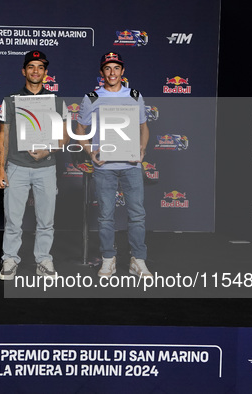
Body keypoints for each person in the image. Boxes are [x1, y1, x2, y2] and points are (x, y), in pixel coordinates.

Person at [75, 52, 152, 278]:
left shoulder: (135, 96)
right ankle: (108, 259)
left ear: (122, 71)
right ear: (102, 72)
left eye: (116, 68)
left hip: (131, 164)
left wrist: (142, 149)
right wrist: (91, 152)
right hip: (105, 166)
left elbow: (143, 127)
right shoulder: (92, 98)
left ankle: (138, 260)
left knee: (137, 214)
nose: (112, 73)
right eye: (107, 68)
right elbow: (80, 130)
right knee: (105, 216)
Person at [0, 50, 68, 280]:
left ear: (46, 72)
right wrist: (1, 168)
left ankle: (43, 259)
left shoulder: (57, 101)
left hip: (46, 166)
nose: (35, 71)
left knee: (46, 220)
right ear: (24, 71)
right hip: (16, 166)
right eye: (31, 67)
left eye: (40, 67)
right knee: (13, 220)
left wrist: (49, 149)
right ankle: (10, 259)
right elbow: (3, 137)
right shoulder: (11, 100)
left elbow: (65, 136)